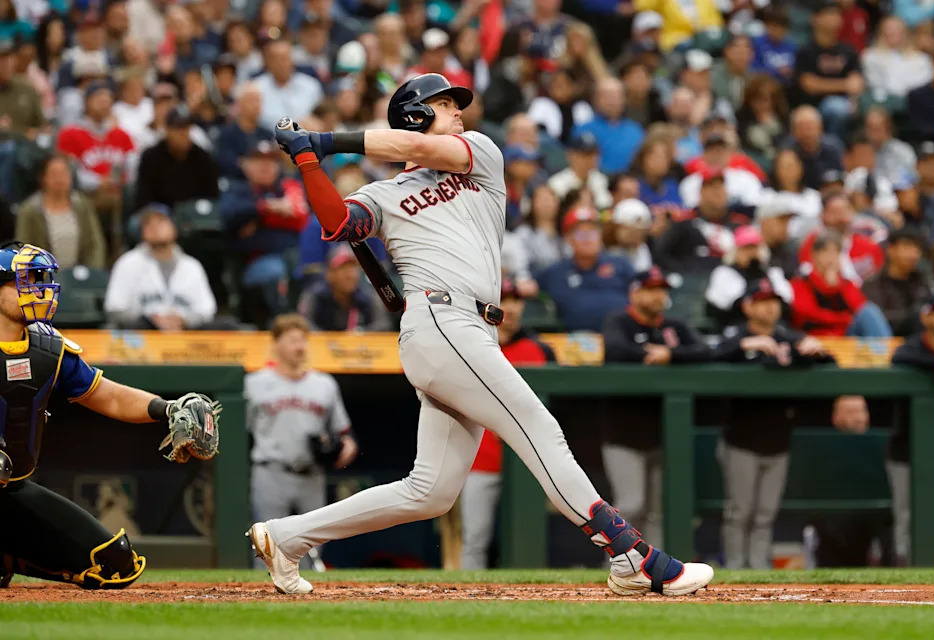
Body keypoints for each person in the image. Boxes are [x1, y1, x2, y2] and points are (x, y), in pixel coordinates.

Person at [254, 73, 714, 595]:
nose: (458, 113)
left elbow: (412, 146)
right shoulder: (382, 194)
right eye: (445, 105)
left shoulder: (480, 154)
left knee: (429, 492)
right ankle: (631, 555)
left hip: (471, 328)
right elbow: (339, 223)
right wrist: (309, 163)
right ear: (415, 112)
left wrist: (322, 141)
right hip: (440, 322)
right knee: (540, 430)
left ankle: (287, 537)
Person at [0, 241, 220, 589]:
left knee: (115, 564)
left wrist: (168, 409)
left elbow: (108, 397)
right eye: (28, 279)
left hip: (10, 489)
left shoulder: (47, 346)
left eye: (42, 279)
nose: (40, 289)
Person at [712, 278, 837, 569]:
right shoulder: (736, 336)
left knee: (765, 513)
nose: (770, 308)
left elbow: (829, 362)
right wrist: (745, 344)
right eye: (763, 302)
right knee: (739, 511)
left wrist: (815, 350)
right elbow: (710, 355)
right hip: (739, 439)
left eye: (773, 302)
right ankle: (734, 566)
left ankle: (758, 567)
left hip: (779, 439)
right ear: (748, 306)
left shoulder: (789, 338)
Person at [601, 266, 712, 547]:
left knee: (659, 511)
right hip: (623, 434)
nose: (657, 296)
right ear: (634, 293)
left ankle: (656, 569)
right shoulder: (620, 321)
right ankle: (620, 565)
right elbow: (615, 350)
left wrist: (670, 354)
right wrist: (646, 354)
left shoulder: (674, 327)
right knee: (631, 505)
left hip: (663, 433)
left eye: (661, 290)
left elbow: (704, 351)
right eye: (650, 289)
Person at [245, 313, 358, 571]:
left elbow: (344, 431)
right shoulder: (254, 384)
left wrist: (346, 445)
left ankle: (309, 605)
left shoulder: (324, 384)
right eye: (292, 340)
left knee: (310, 548)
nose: (300, 346)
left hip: (311, 473)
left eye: (303, 340)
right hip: (271, 471)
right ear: (275, 344)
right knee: (267, 546)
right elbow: (241, 429)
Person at [460, 277, 555, 569]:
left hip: (529, 461)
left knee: (529, 539)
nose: (510, 307)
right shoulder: (469, 344)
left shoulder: (539, 349)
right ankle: (464, 604)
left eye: (515, 300)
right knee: (475, 538)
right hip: (481, 457)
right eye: (504, 299)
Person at [889, 293, 934, 566]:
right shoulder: (912, 347)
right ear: (925, 316)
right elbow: (899, 357)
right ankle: (903, 563)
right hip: (904, 448)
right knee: (905, 512)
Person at [220, 140, 309, 324]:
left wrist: (259, 220)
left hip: (292, 257)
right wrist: (267, 207)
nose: (265, 166)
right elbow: (228, 217)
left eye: (271, 161)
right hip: (252, 262)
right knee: (275, 271)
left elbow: (301, 218)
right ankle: (280, 325)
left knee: (311, 269)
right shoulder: (236, 190)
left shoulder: (286, 188)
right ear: (246, 165)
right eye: (258, 161)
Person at [104, 206, 217, 331]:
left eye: (161, 221)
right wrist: (151, 319)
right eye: (148, 224)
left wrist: (184, 321)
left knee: (228, 325)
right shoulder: (128, 263)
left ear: (175, 228)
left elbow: (207, 311)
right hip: (141, 337)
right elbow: (114, 309)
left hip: (185, 337)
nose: (155, 227)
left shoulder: (191, 266)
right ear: (141, 232)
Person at [536, 207, 635, 332]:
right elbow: (529, 284)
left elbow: (640, 291)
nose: (588, 239)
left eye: (592, 233)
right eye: (581, 234)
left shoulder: (620, 264)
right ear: (568, 239)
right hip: (573, 340)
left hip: (621, 336)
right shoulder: (555, 272)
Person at [791, 230, 892, 337]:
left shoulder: (846, 284)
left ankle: (886, 351)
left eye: (836, 252)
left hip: (846, 336)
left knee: (870, 311)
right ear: (814, 255)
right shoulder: (801, 283)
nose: (831, 257)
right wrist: (843, 319)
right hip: (815, 337)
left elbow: (860, 309)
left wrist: (837, 286)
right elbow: (806, 314)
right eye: (826, 251)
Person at [14, 154, 106, 269]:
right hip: (43, 279)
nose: (59, 179)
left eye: (64, 173)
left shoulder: (82, 205)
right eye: (54, 174)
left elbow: (95, 244)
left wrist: (92, 273)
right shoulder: (30, 210)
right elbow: (23, 248)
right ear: (43, 178)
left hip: (79, 277)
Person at [792, 0, 864, 138]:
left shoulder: (848, 51)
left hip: (846, 106)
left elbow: (857, 83)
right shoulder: (806, 51)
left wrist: (825, 85)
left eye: (836, 14)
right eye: (829, 14)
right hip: (811, 107)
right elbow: (809, 84)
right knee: (835, 106)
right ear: (815, 19)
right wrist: (844, 85)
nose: (834, 18)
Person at [654, 172, 749, 275]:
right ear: (701, 192)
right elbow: (661, 254)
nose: (718, 193)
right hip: (691, 280)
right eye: (712, 188)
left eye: (721, 188)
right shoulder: (684, 221)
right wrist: (683, 272)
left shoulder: (739, 223)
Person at [705, 226, 793, 330]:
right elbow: (727, 306)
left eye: (754, 248)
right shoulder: (724, 273)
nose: (751, 253)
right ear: (735, 251)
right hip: (735, 328)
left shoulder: (772, 273)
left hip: (773, 329)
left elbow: (787, 301)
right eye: (746, 248)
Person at [134, 105, 219, 211]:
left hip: (193, 216)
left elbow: (212, 198)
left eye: (187, 128)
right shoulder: (151, 157)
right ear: (167, 130)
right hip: (160, 216)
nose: (184, 134)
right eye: (179, 128)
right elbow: (143, 199)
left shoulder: (203, 159)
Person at [297, 244, 392, 332]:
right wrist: (331, 338)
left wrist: (360, 333)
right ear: (329, 274)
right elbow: (303, 324)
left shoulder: (368, 296)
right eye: (343, 269)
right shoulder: (314, 296)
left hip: (359, 348)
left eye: (353, 268)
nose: (350, 275)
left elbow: (383, 324)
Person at [798, 192, 885, 285]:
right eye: (834, 212)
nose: (841, 217)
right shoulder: (813, 243)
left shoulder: (868, 245)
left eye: (845, 210)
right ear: (823, 215)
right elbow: (806, 276)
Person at [862, 229, 929, 336]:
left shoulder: (924, 282)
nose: (913, 254)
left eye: (917, 249)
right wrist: (916, 317)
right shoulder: (873, 285)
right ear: (890, 250)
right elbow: (877, 321)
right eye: (907, 247)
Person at [571, 77, 644, 174]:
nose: (612, 101)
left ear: (624, 99)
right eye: (607, 96)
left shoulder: (636, 131)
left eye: (617, 96)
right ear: (595, 99)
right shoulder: (583, 130)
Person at [254, 38, 324, 130]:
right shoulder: (256, 88)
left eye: (284, 59)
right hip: (270, 140)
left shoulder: (311, 86)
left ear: (292, 60)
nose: (281, 64)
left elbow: (322, 118)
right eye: (276, 59)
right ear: (268, 62)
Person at [781, 106, 845, 190]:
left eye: (810, 127)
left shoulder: (834, 148)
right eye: (801, 128)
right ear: (793, 132)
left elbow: (841, 178)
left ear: (820, 128)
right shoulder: (787, 153)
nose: (807, 133)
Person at [547, 132, 611, 212]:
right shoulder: (556, 183)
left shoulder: (601, 180)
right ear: (570, 155)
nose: (589, 159)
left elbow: (606, 208)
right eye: (585, 154)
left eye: (593, 154)